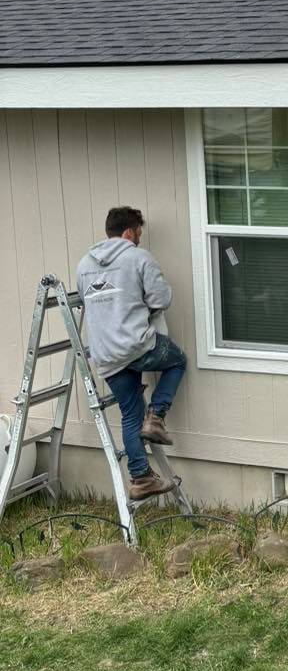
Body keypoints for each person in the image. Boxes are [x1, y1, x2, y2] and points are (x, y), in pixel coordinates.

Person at [76, 206, 187, 501]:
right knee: (178, 361)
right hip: (135, 346)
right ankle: (157, 416)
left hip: (106, 354)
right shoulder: (138, 257)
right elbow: (161, 298)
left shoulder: (84, 265)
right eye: (138, 233)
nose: (139, 239)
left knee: (129, 414)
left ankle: (140, 478)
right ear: (128, 232)